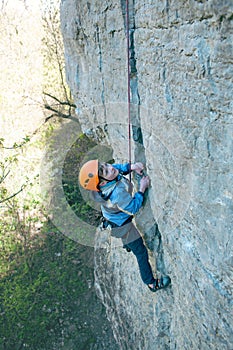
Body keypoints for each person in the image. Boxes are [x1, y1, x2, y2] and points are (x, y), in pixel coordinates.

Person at [79, 159, 171, 292]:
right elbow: (133, 208)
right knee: (141, 253)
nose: (111, 168)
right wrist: (142, 188)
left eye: (106, 165)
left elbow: (116, 169)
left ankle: (127, 244)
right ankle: (151, 283)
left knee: (129, 240)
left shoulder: (105, 181)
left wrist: (131, 167)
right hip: (122, 227)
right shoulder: (116, 193)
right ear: (103, 183)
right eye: (106, 170)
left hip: (114, 220)